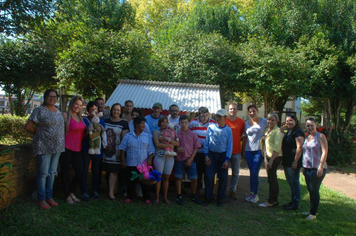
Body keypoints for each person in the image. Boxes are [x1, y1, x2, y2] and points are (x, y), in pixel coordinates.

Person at [24, 89, 65, 209]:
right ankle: (41, 198)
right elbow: (28, 126)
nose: (52, 98)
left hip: (57, 146)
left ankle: (49, 196)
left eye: (54, 96)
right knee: (43, 173)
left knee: (52, 173)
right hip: (43, 146)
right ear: (45, 97)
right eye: (49, 96)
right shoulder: (39, 110)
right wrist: (36, 131)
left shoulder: (58, 110)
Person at [119, 116, 155, 204]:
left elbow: (151, 150)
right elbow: (122, 148)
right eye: (142, 123)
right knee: (131, 181)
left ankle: (146, 198)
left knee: (145, 182)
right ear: (136, 125)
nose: (143, 125)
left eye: (144, 123)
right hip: (131, 163)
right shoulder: (128, 136)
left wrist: (150, 159)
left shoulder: (148, 136)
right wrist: (123, 161)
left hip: (143, 164)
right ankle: (130, 197)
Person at [59, 96, 86, 204]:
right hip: (66, 148)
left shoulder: (80, 118)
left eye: (80, 105)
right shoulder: (65, 115)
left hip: (77, 148)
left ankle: (71, 192)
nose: (78, 107)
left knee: (80, 171)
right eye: (76, 104)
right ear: (71, 104)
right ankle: (67, 195)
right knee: (65, 172)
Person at [203, 109, 233, 207]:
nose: (218, 118)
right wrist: (206, 155)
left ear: (225, 118)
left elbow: (229, 146)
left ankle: (220, 199)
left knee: (223, 178)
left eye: (220, 117)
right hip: (211, 155)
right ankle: (208, 197)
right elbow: (207, 142)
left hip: (222, 156)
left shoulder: (228, 130)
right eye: (217, 116)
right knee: (209, 177)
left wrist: (227, 160)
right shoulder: (210, 127)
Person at [302, 117, 328, 220]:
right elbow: (305, 153)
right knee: (310, 189)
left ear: (316, 125)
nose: (310, 127)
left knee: (314, 190)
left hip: (317, 168)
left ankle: (313, 213)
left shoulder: (320, 136)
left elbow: (325, 151)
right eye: (308, 125)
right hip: (307, 168)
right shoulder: (307, 137)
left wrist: (321, 166)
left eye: (312, 125)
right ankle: (311, 210)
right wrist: (303, 167)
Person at [103, 103, 129, 201]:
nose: (116, 112)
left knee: (114, 172)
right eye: (114, 109)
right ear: (111, 110)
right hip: (106, 150)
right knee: (108, 171)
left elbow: (124, 138)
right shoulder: (105, 121)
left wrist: (121, 152)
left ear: (120, 111)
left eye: (118, 110)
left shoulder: (123, 123)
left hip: (116, 151)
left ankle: (111, 193)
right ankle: (112, 190)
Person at [175, 115, 202, 205]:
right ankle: (179, 196)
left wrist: (191, 159)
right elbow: (172, 146)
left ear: (188, 123)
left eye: (186, 122)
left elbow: (196, 147)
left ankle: (194, 195)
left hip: (190, 159)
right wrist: (177, 147)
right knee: (179, 178)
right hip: (179, 159)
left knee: (194, 178)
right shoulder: (176, 134)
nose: (184, 124)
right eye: (182, 122)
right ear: (179, 123)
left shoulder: (193, 134)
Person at [258, 113, 284, 207]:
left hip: (274, 157)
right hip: (268, 156)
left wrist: (271, 160)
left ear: (277, 121)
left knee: (272, 179)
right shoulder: (268, 130)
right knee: (271, 178)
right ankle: (274, 200)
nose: (270, 121)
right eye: (269, 119)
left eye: (272, 120)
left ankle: (271, 201)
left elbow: (277, 148)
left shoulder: (278, 131)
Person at [244, 104, 268, 203]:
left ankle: (256, 195)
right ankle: (252, 192)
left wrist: (265, 136)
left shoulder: (264, 121)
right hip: (249, 150)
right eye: (250, 111)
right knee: (251, 172)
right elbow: (245, 137)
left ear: (257, 111)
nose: (252, 113)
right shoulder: (246, 123)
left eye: (254, 111)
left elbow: (270, 129)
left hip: (259, 150)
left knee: (255, 171)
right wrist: (243, 152)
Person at [82, 101, 106, 200]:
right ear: (88, 111)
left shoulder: (101, 121)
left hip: (97, 149)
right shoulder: (84, 120)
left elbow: (103, 134)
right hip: (86, 148)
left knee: (96, 170)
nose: (94, 111)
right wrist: (88, 130)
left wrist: (100, 131)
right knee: (84, 170)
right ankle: (84, 191)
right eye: (91, 109)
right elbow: (82, 136)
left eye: (95, 109)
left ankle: (95, 190)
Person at [189, 107, 215, 195]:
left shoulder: (212, 122)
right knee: (198, 173)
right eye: (202, 116)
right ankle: (196, 192)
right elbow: (189, 136)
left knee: (208, 173)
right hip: (197, 152)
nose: (204, 118)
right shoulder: (193, 122)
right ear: (199, 115)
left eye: (206, 115)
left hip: (209, 152)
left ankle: (207, 193)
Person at [153, 116, 179, 205]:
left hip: (170, 158)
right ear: (159, 123)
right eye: (162, 122)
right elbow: (157, 144)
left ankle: (165, 197)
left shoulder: (173, 132)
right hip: (160, 156)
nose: (164, 124)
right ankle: (157, 197)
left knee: (166, 178)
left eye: (166, 122)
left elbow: (177, 143)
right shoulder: (156, 132)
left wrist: (166, 140)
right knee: (158, 177)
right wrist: (170, 145)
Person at [281, 114, 305, 210]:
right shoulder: (289, 132)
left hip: (293, 162)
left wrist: (295, 162)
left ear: (295, 121)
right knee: (290, 182)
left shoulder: (298, 132)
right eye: (287, 121)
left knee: (294, 182)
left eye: (291, 120)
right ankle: (293, 201)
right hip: (287, 161)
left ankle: (296, 203)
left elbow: (300, 147)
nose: (289, 122)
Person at [225, 102, 245, 199]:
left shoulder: (241, 122)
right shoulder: (224, 121)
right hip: (225, 152)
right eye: (231, 109)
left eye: (234, 109)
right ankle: (223, 189)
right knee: (224, 171)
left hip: (237, 151)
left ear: (237, 110)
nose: (233, 110)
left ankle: (233, 190)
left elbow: (242, 136)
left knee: (235, 172)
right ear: (228, 110)